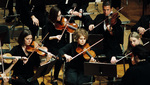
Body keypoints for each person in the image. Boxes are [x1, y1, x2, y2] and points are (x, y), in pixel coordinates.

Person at [42, 7, 68, 85]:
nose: (60, 17)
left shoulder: (61, 22)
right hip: (51, 45)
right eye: (58, 16)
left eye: (60, 15)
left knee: (71, 52)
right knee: (59, 59)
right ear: (53, 16)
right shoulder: (47, 23)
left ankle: (68, 76)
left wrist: (66, 28)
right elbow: (45, 38)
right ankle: (55, 78)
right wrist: (55, 37)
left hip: (61, 44)